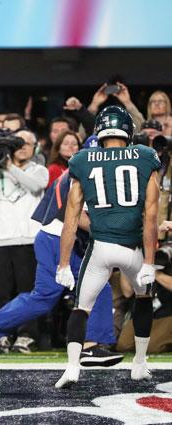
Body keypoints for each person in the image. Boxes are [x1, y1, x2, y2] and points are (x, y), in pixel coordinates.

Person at [0, 168, 122, 367]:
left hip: (57, 238)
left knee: (60, 295)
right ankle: (90, 346)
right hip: (60, 239)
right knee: (87, 289)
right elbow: (76, 214)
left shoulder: (81, 165)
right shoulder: (91, 169)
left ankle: (90, 345)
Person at [54, 105, 160, 388]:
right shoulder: (145, 156)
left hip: (100, 246)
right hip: (133, 247)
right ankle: (139, 363)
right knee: (143, 299)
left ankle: (73, 367)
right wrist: (149, 261)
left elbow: (71, 219)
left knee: (81, 308)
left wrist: (63, 264)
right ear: (129, 130)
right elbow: (151, 216)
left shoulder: (83, 159)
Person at [0, 129, 48, 353]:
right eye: (18, 142)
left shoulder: (39, 170)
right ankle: (0, 335)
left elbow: (35, 186)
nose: (23, 146)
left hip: (28, 239)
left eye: (27, 142)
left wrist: (9, 167)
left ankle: (26, 335)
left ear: (35, 147)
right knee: (1, 291)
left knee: (27, 291)